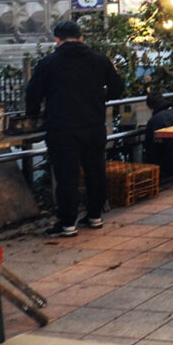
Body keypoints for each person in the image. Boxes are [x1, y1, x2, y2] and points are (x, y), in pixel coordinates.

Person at [26, 20, 124, 237]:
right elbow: (118, 86)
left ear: (56, 40)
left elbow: (32, 94)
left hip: (62, 128)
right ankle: (95, 216)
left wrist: (32, 115)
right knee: (95, 172)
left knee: (66, 176)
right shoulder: (99, 60)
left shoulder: (48, 63)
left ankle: (68, 223)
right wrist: (101, 100)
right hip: (93, 125)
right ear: (81, 38)